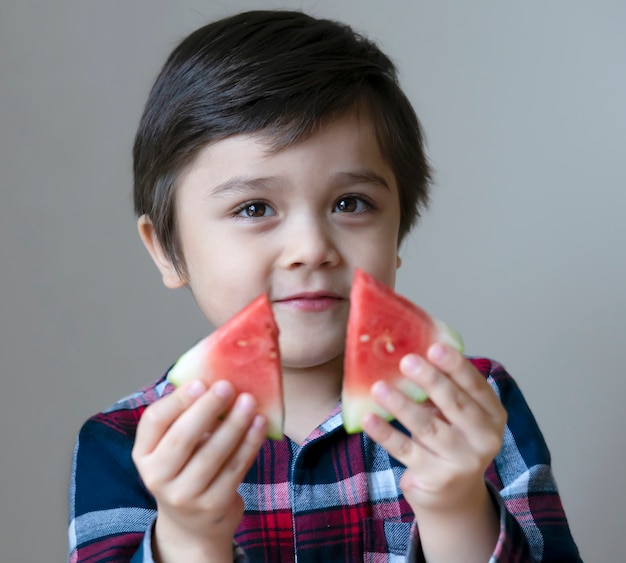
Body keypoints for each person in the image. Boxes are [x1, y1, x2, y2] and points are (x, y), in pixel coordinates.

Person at [68, 9, 582, 563]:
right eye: (254, 207)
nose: (312, 247)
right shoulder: (123, 444)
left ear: (398, 231)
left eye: (351, 203)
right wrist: (191, 537)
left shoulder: (473, 405)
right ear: (167, 251)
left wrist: (456, 508)